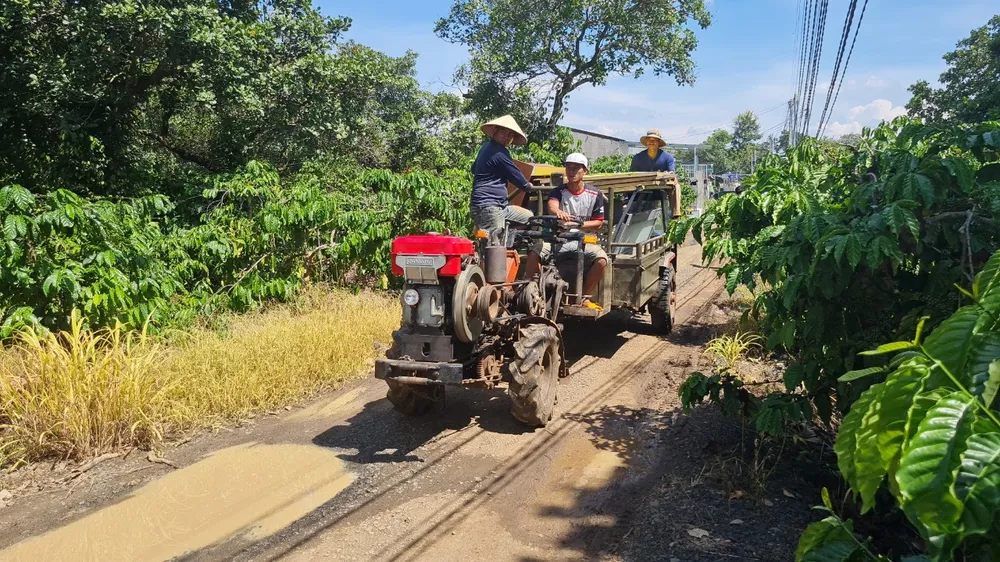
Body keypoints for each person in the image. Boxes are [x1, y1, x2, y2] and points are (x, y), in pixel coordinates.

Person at [523, 152, 608, 309]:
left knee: (602, 260)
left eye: (576, 168)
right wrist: (558, 212)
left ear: (585, 171)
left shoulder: (595, 194)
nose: (572, 171)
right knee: (534, 251)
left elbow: (598, 223)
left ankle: (584, 297)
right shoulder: (558, 191)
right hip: (558, 240)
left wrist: (579, 225)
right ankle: (529, 292)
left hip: (584, 241)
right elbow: (552, 205)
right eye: (569, 167)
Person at [470, 115, 534, 244]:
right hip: (489, 206)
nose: (506, 137)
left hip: (499, 207)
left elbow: (473, 169)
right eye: (503, 132)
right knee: (493, 249)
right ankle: (493, 257)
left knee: (530, 217)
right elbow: (518, 178)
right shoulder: (499, 152)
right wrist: (529, 186)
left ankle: (509, 240)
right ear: (495, 132)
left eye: (510, 135)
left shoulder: (485, 148)